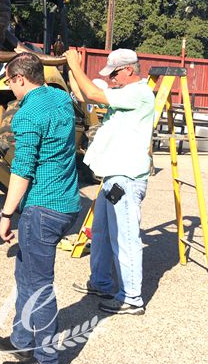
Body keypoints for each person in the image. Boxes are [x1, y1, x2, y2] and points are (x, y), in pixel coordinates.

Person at [0, 52, 81, 364]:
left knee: (40, 284)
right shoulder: (59, 98)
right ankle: (21, 339)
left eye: (10, 82)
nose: (10, 89)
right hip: (67, 202)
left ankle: (46, 359)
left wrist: (6, 215)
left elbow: (22, 170)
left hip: (43, 207)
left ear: (19, 79)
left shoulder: (26, 116)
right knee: (25, 270)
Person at [65, 48, 155, 316]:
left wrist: (75, 65)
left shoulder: (138, 93)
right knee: (102, 234)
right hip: (113, 177)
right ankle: (101, 282)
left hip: (126, 179)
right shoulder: (125, 94)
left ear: (129, 69)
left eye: (114, 73)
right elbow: (84, 94)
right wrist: (72, 69)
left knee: (125, 239)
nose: (112, 79)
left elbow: (93, 93)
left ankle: (132, 297)